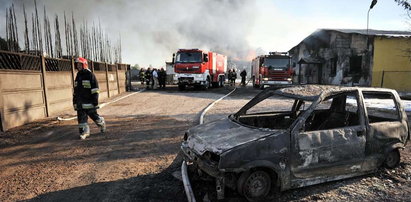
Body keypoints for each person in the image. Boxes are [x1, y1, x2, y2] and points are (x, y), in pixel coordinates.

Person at [73, 57, 106, 140]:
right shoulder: (78, 75)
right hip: (80, 102)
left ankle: (101, 123)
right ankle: (84, 132)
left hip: (89, 101)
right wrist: (75, 101)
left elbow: (95, 89)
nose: (78, 66)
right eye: (77, 65)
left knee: (94, 116)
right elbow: (76, 90)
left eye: (80, 64)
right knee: (81, 117)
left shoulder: (90, 75)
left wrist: (95, 100)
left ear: (84, 64)